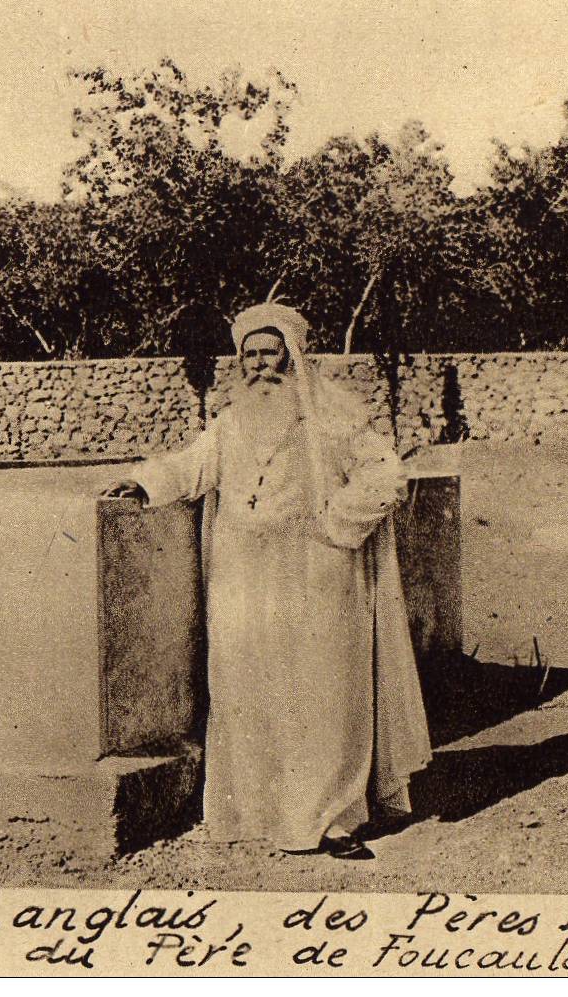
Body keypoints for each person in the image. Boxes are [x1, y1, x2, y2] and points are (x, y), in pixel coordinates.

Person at [102, 302, 432, 861]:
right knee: (250, 693)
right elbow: (191, 466)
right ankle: (263, 814)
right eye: (249, 354)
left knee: (323, 697)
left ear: (292, 354)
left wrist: (334, 524)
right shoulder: (231, 421)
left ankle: (332, 820)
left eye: (269, 352)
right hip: (244, 580)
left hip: (319, 576)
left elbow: (385, 474)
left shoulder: (334, 416)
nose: (259, 365)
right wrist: (142, 484)